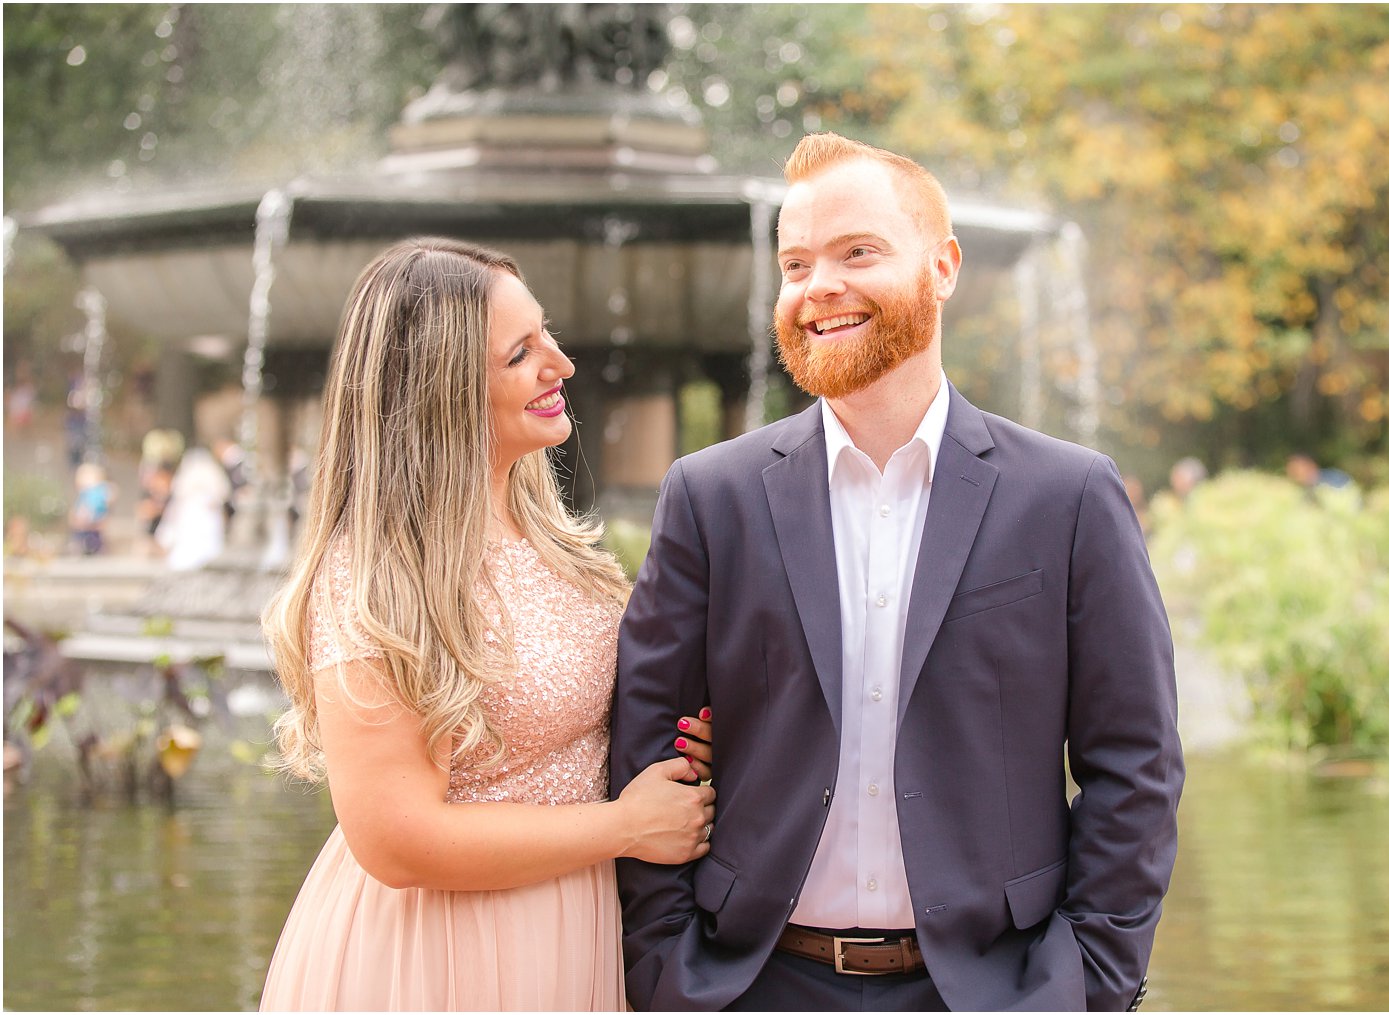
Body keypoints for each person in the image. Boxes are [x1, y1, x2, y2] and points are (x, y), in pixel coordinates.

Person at [612, 134, 1183, 1011]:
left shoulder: (1069, 496)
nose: (820, 286)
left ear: (943, 265)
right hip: (752, 987)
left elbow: (1133, 764)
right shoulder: (709, 497)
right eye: (796, 262)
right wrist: (668, 975)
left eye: (858, 252)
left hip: (996, 991)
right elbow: (644, 746)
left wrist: (1086, 988)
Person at [258, 237, 716, 1011]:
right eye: (520, 354)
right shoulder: (376, 575)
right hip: (440, 955)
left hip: (571, 929)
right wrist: (624, 827)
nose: (560, 366)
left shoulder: (546, 532)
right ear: (442, 391)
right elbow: (397, 840)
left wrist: (690, 738)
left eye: (548, 336)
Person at [68, 462, 113, 556]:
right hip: (83, 527)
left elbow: (109, 496)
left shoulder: (98, 494)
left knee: (94, 543)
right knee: (81, 542)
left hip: (93, 527)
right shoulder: (84, 495)